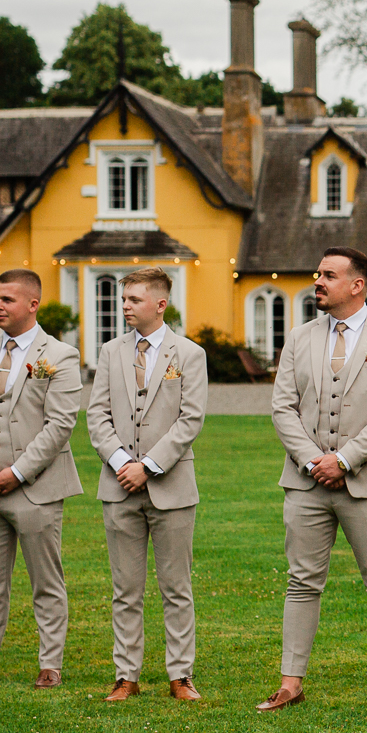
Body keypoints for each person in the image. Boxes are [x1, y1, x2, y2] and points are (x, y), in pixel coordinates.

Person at [258, 246, 367, 712]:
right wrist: (315, 460)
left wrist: (345, 460)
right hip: (305, 482)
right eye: (318, 273)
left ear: (357, 285)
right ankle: (290, 683)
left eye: (328, 275)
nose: (318, 280)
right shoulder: (299, 338)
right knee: (300, 582)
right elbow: (282, 408)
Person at [0, 268, 84, 688]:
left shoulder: (60, 356)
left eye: (7, 299)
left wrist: (18, 473)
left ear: (32, 304)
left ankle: (51, 664)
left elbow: (60, 425)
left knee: (47, 582)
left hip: (36, 491)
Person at [86, 266, 209, 702]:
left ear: (160, 304)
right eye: (123, 299)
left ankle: (181, 675)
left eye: (134, 300)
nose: (125, 307)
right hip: (118, 485)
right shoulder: (110, 352)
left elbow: (190, 419)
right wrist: (123, 462)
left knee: (176, 587)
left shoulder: (189, 354)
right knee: (125, 588)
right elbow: (96, 416)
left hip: (172, 488)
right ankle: (126, 675)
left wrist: (149, 465)